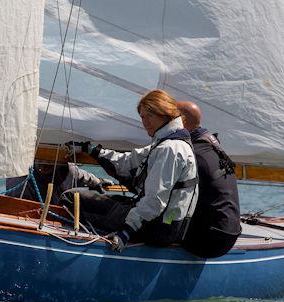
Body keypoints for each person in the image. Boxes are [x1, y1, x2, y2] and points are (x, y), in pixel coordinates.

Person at [69, 89, 198, 252]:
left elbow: (155, 200)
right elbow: (126, 161)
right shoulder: (170, 142)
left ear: (165, 114)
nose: (145, 122)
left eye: (150, 115)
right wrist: (92, 150)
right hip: (169, 222)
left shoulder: (169, 149)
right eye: (143, 117)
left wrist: (126, 231)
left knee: (71, 197)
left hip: (160, 228)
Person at [176, 101, 242, 258]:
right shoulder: (210, 146)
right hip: (230, 233)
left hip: (208, 241)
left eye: (170, 117)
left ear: (182, 120)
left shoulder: (191, 154)